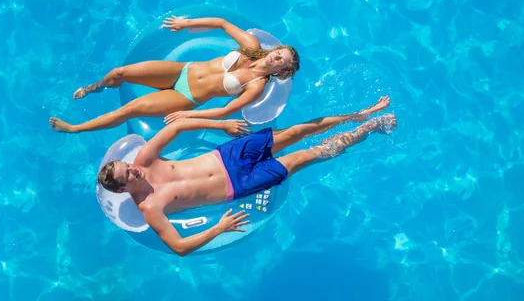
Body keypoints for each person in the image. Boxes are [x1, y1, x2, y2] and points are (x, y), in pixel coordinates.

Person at [97, 95, 397, 256]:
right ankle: (367, 129)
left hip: (230, 155)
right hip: (238, 185)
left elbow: (176, 127)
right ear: (124, 189)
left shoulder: (144, 158)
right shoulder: (149, 208)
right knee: (307, 156)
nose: (134, 169)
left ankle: (361, 113)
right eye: (130, 175)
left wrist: (222, 125)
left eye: (128, 166)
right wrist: (220, 227)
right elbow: (179, 247)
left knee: (295, 132)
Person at [49, 16, 300, 134]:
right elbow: (222, 24)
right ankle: (97, 87)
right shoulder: (252, 47)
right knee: (120, 72)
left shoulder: (256, 86)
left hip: (186, 97)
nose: (276, 58)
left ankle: (74, 128)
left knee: (129, 110)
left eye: (282, 62)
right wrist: (186, 24)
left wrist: (187, 114)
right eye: (279, 53)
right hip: (182, 71)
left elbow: (224, 111)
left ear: (281, 71)